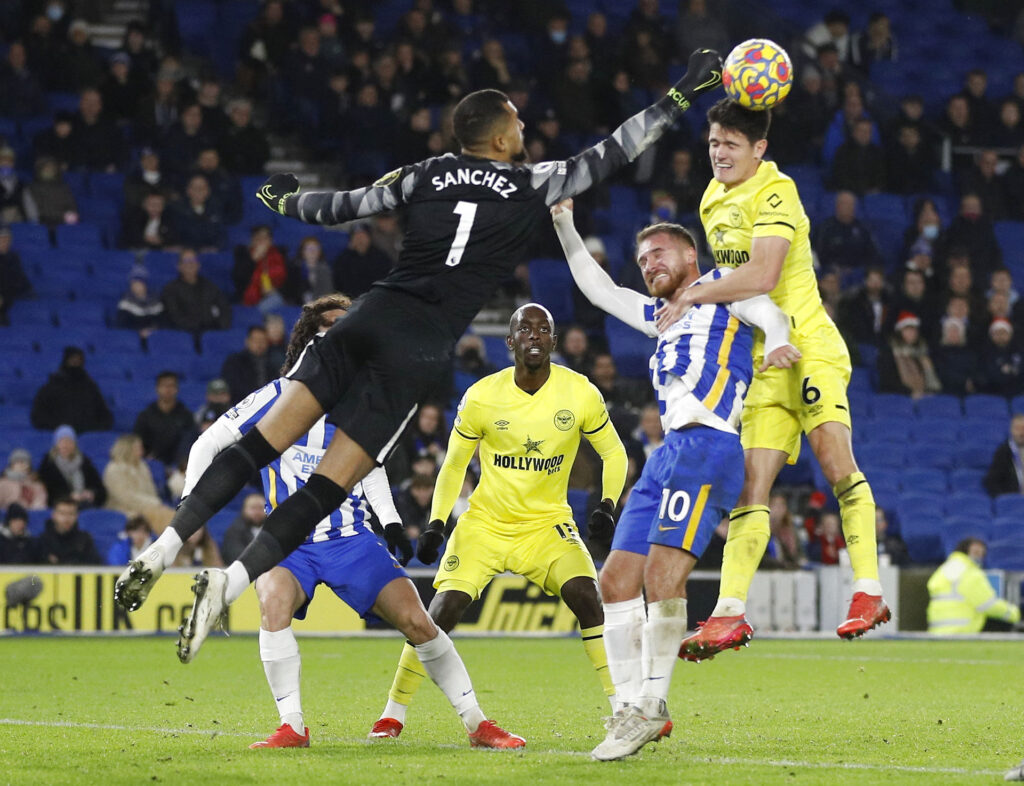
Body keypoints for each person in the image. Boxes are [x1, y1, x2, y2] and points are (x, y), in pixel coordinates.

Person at [141, 55, 725, 664]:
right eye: (517, 123)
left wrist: (285, 202)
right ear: (500, 137)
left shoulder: (424, 173)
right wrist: (681, 95)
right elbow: (617, 149)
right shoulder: (534, 182)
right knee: (324, 489)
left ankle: (167, 546)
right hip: (414, 347)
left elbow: (345, 205)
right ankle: (231, 584)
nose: (524, 130)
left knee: (257, 444)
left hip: (370, 312)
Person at [117, 295, 524, 749]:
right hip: (285, 545)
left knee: (417, 621)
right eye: (333, 327)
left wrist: (389, 523)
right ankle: (292, 725)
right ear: (310, 341)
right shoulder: (275, 396)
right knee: (271, 602)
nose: (345, 335)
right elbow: (206, 444)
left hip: (350, 539)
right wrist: (189, 510)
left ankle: (477, 723)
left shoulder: (364, 403)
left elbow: (372, 467)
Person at [549, 201, 797, 760]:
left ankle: (651, 706)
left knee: (663, 576)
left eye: (658, 253)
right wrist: (564, 222)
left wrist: (779, 338)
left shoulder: (725, 291)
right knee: (613, 581)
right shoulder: (661, 313)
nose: (648, 264)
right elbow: (598, 289)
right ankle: (628, 706)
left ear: (690, 254)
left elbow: (768, 311)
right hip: (665, 456)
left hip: (708, 445)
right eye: (641, 259)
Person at [654, 98, 890, 659]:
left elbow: (763, 274)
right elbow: (738, 286)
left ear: (759, 149)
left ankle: (868, 590)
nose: (719, 153)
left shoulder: (776, 191)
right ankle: (729, 614)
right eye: (713, 143)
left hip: (808, 347)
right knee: (750, 490)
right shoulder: (712, 198)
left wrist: (692, 293)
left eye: (731, 145)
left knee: (836, 464)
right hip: (763, 363)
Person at [369, 303, 628, 739]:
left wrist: (606, 504)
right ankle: (393, 713)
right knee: (440, 612)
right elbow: (453, 465)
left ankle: (623, 709)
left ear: (552, 341)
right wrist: (436, 523)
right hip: (486, 523)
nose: (534, 336)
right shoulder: (482, 396)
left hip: (547, 525)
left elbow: (614, 452)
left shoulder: (580, 392)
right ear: (509, 342)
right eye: (524, 330)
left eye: (543, 329)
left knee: (588, 597)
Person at [927, 538, 1021, 633]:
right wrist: (1014, 613)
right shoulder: (970, 573)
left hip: (937, 630)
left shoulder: (943, 570)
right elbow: (987, 605)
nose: (980, 555)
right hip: (962, 630)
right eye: (977, 552)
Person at [30, 346, 113, 433]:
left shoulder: (90, 388)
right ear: (65, 360)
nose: (75, 362)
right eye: (72, 359)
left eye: (78, 360)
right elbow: (38, 417)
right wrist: (61, 428)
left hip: (87, 436)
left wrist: (91, 428)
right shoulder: (52, 387)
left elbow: (105, 416)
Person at [102, 434, 174, 534]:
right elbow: (125, 497)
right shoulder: (114, 469)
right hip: (124, 509)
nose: (142, 451)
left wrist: (155, 504)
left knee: (174, 516)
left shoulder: (142, 466)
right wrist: (152, 504)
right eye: (138, 448)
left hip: (148, 506)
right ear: (127, 450)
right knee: (166, 520)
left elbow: (151, 490)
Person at [133, 371, 196, 469]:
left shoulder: (186, 416)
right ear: (157, 388)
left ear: (177, 389)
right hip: (151, 464)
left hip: (178, 466)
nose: (168, 389)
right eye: (164, 386)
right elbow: (137, 439)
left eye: (171, 386)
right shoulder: (146, 415)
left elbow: (190, 442)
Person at [37, 425, 106, 508]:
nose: (65, 445)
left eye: (69, 441)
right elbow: (46, 492)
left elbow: (100, 489)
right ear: (56, 444)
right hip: (60, 506)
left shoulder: (85, 462)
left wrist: (91, 493)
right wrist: (69, 496)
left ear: (75, 444)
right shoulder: (47, 464)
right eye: (62, 441)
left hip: (84, 503)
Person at [38, 497, 102, 565]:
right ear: (54, 515)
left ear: (77, 516)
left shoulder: (85, 539)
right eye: (62, 513)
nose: (67, 518)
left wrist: (59, 562)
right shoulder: (42, 540)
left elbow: (94, 564)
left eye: (71, 514)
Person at [982, 413, 1024, 496]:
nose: (1021, 433)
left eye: (1023, 428)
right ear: (1011, 430)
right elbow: (992, 481)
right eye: (1017, 429)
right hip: (1015, 499)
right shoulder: (1003, 452)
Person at [220, 492, 266, 564]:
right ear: (244, 510)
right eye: (253, 508)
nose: (257, 512)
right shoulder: (234, 531)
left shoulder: (274, 529)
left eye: (261, 508)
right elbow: (235, 556)